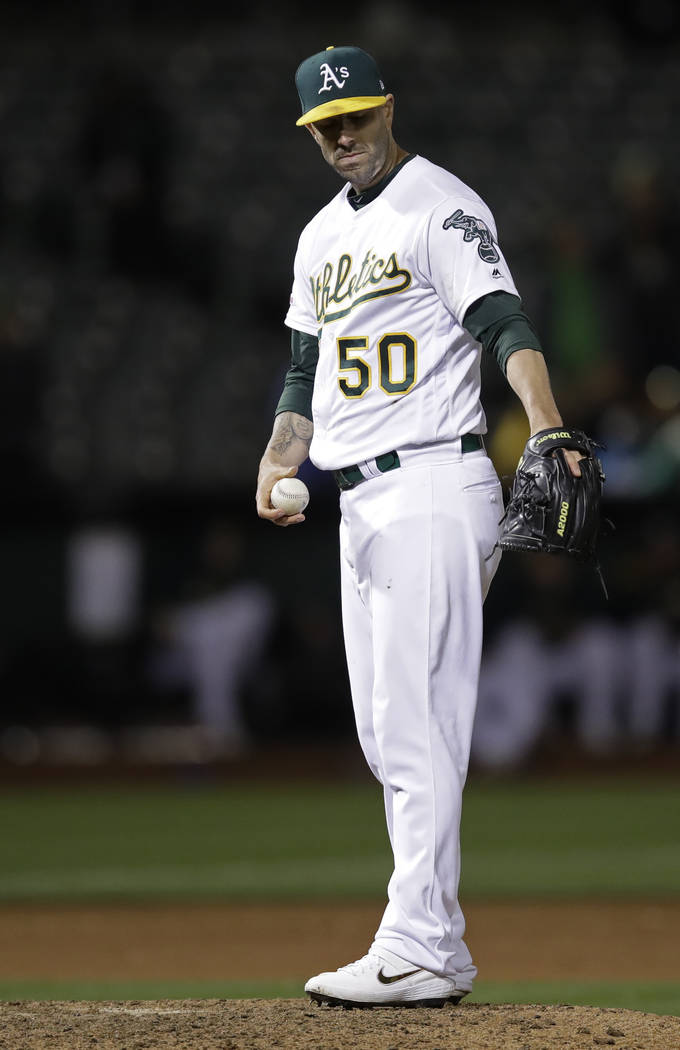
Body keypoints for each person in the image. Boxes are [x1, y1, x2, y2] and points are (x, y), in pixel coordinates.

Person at [256, 45, 582, 1008]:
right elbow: (301, 373)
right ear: (310, 134)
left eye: (356, 114)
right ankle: (428, 943)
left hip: (437, 479)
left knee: (415, 723)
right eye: (326, 125)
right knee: (384, 726)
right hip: (358, 498)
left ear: (389, 107)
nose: (343, 134)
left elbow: (504, 324)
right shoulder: (318, 238)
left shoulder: (441, 203)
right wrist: (280, 458)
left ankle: (423, 941)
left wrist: (550, 421)